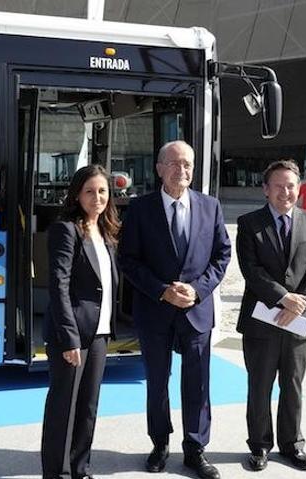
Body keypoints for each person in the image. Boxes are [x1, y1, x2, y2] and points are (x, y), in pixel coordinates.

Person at [119, 140, 231, 479]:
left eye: (188, 165)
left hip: (196, 311)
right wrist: (162, 291)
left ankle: (195, 449)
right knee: (157, 380)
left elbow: (222, 255)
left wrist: (197, 291)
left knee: (197, 383)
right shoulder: (140, 209)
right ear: (159, 168)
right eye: (175, 163)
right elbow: (127, 259)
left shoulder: (210, 206)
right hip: (155, 311)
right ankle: (159, 443)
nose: (182, 170)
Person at [235, 159, 306, 472]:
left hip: (300, 324)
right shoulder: (249, 224)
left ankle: (292, 445)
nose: (285, 192)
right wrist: (283, 298)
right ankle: (259, 446)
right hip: (261, 322)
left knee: (293, 385)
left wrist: (298, 303)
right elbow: (251, 269)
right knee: (259, 386)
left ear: (299, 188)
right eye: (278, 186)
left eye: (290, 186)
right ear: (265, 189)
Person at [41, 164, 120, 479]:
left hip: (99, 333)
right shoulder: (66, 229)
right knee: (65, 406)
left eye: (102, 191)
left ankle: (80, 468)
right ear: (76, 194)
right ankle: (56, 473)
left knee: (88, 406)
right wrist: (69, 338)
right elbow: (58, 285)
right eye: (89, 191)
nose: (97, 197)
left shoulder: (105, 230)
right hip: (72, 335)